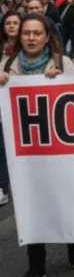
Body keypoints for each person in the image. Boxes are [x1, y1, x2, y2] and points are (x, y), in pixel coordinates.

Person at [0, 14, 74, 277]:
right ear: (19, 36)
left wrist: (60, 82)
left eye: (38, 33)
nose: (32, 38)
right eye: (27, 33)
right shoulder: (6, 66)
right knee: (28, 204)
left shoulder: (63, 64)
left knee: (63, 197)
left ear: (48, 37)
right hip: (23, 151)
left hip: (59, 148)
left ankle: (73, 238)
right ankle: (36, 265)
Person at [0, 12, 21, 206]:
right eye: (8, 23)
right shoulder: (2, 50)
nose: (12, 26)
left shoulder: (26, 51)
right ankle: (3, 186)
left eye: (16, 23)